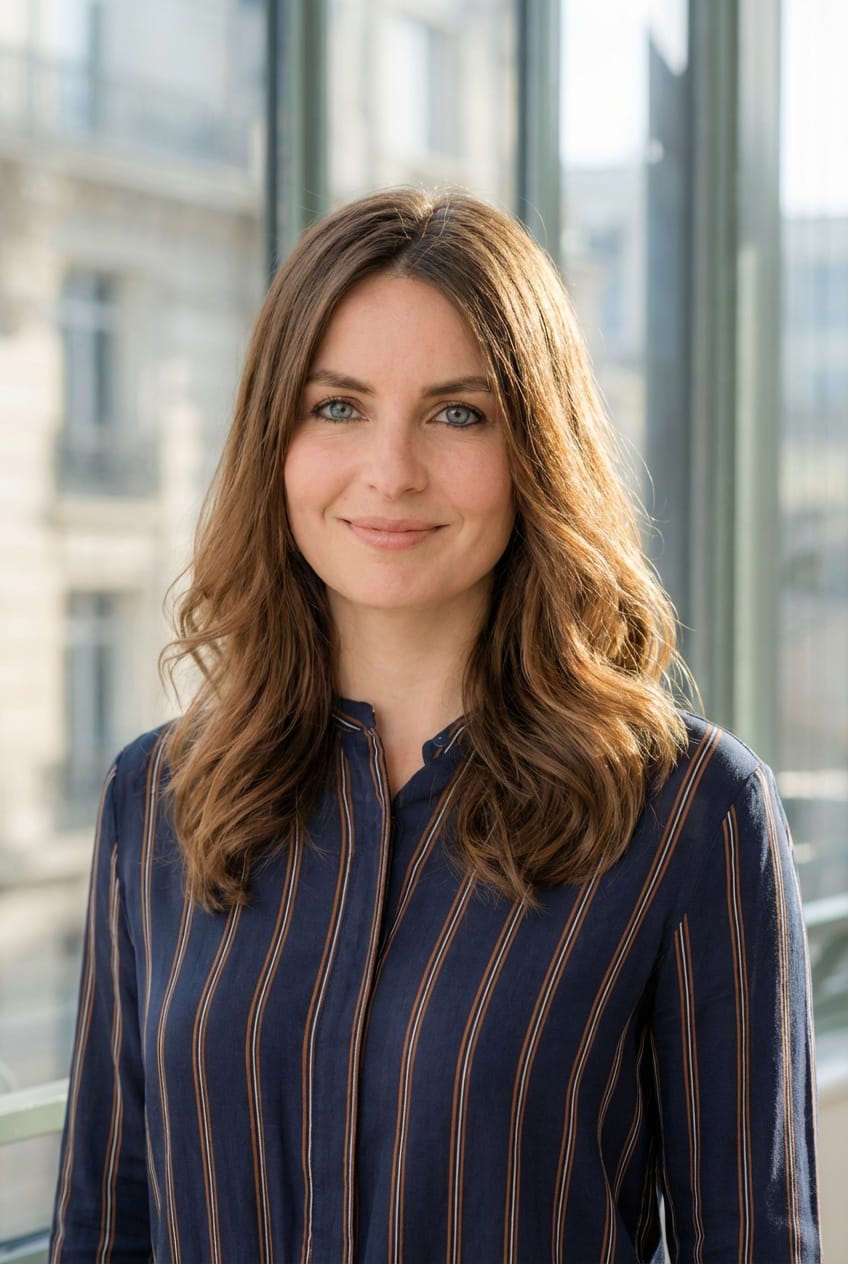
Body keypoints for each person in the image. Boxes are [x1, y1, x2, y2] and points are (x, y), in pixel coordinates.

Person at [50, 189, 820, 1263]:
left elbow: (747, 1241)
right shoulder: (157, 797)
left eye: (457, 414)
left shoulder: (690, 811)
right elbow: (107, 1223)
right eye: (338, 407)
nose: (391, 472)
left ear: (535, 449)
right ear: (275, 440)